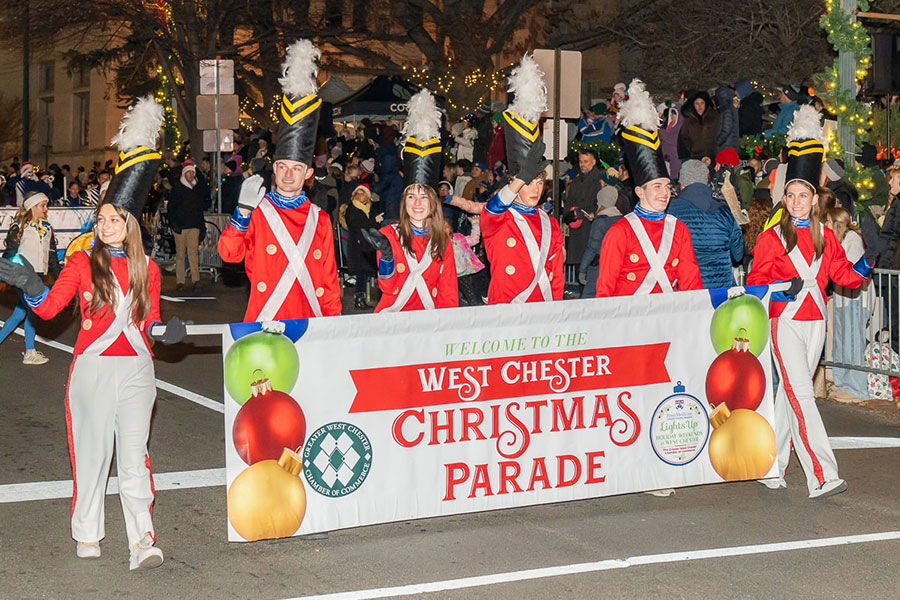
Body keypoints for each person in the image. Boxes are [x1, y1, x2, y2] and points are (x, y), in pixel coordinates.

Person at [0, 97, 187, 568]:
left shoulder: (148, 268)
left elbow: (148, 321)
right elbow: (48, 310)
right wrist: (29, 284)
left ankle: (143, 539)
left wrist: (166, 330)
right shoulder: (82, 261)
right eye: (101, 217)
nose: (106, 225)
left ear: (129, 224)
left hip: (137, 370)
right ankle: (88, 531)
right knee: (91, 455)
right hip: (92, 367)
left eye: (114, 219)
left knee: (134, 457)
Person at [747, 106, 875, 499]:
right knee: (803, 394)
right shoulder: (771, 238)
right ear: (784, 198)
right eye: (792, 194)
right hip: (783, 320)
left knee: (790, 394)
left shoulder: (826, 236)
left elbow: (845, 278)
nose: (798, 200)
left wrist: (869, 260)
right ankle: (822, 474)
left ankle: (770, 466)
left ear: (813, 198)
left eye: (804, 194)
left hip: (815, 321)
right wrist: (777, 287)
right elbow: (755, 284)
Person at [218, 39, 341, 321]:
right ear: (274, 169)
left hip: (310, 322)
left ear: (308, 174)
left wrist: (334, 326)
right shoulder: (258, 212)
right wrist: (243, 211)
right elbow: (229, 255)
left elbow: (329, 280)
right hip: (265, 320)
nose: (288, 175)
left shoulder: (319, 218)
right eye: (283, 167)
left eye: (296, 168)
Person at [596, 80, 702, 297]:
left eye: (666, 186)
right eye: (656, 186)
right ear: (639, 191)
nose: (665, 192)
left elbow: (692, 285)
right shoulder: (620, 232)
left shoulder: (678, 230)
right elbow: (605, 292)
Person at [362, 89, 458, 312]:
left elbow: (448, 294)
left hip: (428, 325)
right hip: (393, 323)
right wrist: (386, 257)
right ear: (403, 201)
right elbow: (388, 288)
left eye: (424, 197)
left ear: (433, 203)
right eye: (411, 196)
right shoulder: (389, 235)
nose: (417, 203)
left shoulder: (442, 241)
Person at [480, 54, 563, 304]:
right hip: (506, 308)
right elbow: (491, 209)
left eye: (539, 182)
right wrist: (520, 178)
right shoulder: (500, 219)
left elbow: (556, 275)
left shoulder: (551, 224)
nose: (535, 189)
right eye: (529, 183)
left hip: (542, 308)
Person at [0, 191, 60, 364]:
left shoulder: (47, 228)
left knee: (19, 313)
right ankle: (29, 352)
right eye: (43, 205)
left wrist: (60, 279)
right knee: (33, 311)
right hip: (23, 276)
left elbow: (53, 257)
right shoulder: (20, 227)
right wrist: (6, 277)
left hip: (38, 276)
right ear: (33, 207)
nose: (46, 209)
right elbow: (10, 253)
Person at [667, 160, 743, 289]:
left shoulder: (670, 211)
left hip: (687, 290)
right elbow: (738, 254)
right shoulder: (725, 212)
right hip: (722, 291)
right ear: (707, 181)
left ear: (681, 182)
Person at [563, 149, 605, 271]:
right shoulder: (576, 180)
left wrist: (581, 213)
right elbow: (569, 200)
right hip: (576, 227)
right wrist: (569, 215)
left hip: (590, 228)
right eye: (581, 161)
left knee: (589, 267)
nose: (582, 164)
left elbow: (599, 203)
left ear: (593, 162)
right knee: (578, 266)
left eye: (586, 161)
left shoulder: (599, 180)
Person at [168, 159, 206, 291]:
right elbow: (171, 208)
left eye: (192, 172)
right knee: (180, 254)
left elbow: (199, 208)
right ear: (184, 174)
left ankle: (196, 279)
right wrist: (174, 225)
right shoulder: (177, 189)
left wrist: (201, 226)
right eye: (188, 172)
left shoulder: (196, 189)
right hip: (180, 226)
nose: (191, 175)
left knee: (193, 253)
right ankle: (180, 281)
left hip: (194, 225)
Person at [578, 186, 622, 298]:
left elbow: (592, 248)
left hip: (598, 268)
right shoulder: (622, 220)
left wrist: (582, 270)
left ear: (602, 202)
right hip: (616, 266)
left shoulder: (600, 222)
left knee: (589, 299)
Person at [344, 184, 380, 309]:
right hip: (358, 247)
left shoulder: (372, 209)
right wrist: (374, 221)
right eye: (357, 193)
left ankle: (363, 298)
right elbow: (359, 225)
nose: (359, 196)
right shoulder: (352, 209)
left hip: (369, 246)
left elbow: (373, 228)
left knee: (364, 272)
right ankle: (359, 298)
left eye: (362, 193)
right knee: (362, 271)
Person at [678, 90, 719, 161]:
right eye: (697, 103)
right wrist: (692, 148)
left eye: (702, 103)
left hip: (712, 155)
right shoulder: (688, 119)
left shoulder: (714, 116)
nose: (700, 106)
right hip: (695, 156)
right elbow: (684, 135)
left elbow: (719, 132)